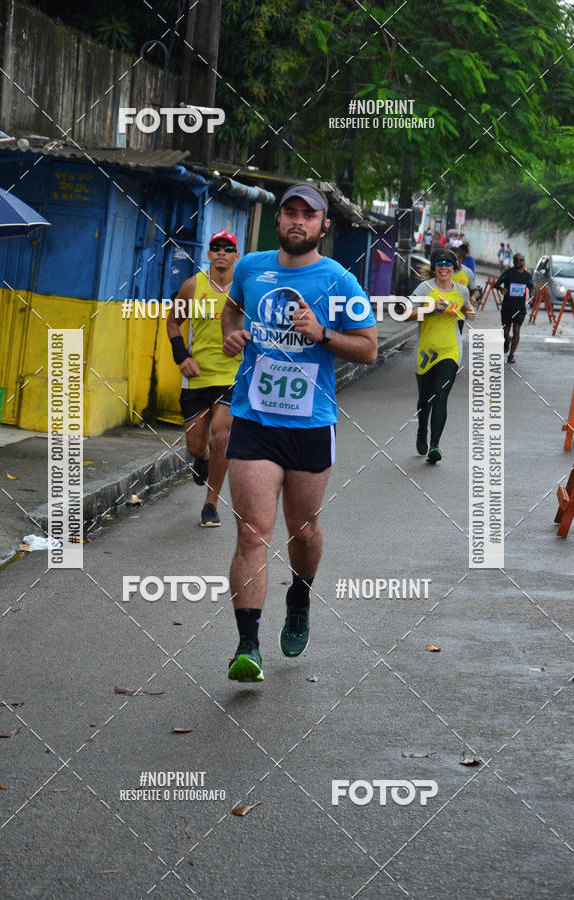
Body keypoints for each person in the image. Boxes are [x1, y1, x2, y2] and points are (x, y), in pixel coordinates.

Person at [221, 184, 377, 682]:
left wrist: (322, 334)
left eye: (308, 215)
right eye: (289, 212)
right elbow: (232, 308)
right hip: (254, 420)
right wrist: (232, 334)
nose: (297, 221)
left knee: (303, 530)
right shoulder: (250, 268)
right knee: (251, 533)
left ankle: (300, 597)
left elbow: (369, 348)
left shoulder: (339, 281)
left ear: (323, 226)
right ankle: (248, 645)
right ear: (278, 221)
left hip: (310, 424)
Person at [167, 229, 241, 526]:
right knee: (196, 445)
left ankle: (211, 503)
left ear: (237, 255)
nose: (222, 251)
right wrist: (182, 357)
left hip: (231, 374)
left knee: (221, 435)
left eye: (228, 248)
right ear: (209, 253)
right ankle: (203, 457)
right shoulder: (192, 286)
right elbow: (173, 322)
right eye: (216, 247)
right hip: (196, 377)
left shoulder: (244, 289)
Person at [409, 248, 476, 464]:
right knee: (425, 398)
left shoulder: (462, 291)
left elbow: (466, 308)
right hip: (426, 351)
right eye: (439, 263)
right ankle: (422, 430)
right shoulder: (424, 288)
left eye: (448, 263)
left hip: (451, 350)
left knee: (441, 395)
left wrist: (469, 312)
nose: (444, 267)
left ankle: (435, 446)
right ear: (434, 267)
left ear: (454, 267)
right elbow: (404, 313)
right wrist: (429, 308)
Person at [493, 252, 533, 364]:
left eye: (521, 260)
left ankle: (511, 355)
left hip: (520, 307)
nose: (519, 262)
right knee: (505, 331)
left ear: (524, 261)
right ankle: (507, 340)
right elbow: (496, 284)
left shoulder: (527, 275)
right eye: (516, 260)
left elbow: (531, 286)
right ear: (514, 261)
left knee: (516, 329)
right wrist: (501, 289)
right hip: (507, 306)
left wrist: (531, 297)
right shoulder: (508, 273)